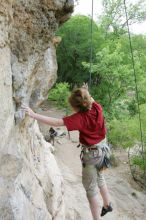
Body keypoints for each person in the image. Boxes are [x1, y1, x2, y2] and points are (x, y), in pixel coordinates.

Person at [22, 86, 113, 220]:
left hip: (92, 154)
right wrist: (84, 91)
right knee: (99, 177)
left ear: (77, 107)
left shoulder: (79, 118)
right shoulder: (96, 107)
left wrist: (33, 114)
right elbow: (89, 99)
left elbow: (57, 122)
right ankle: (107, 204)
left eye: (73, 107)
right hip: (103, 149)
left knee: (91, 190)